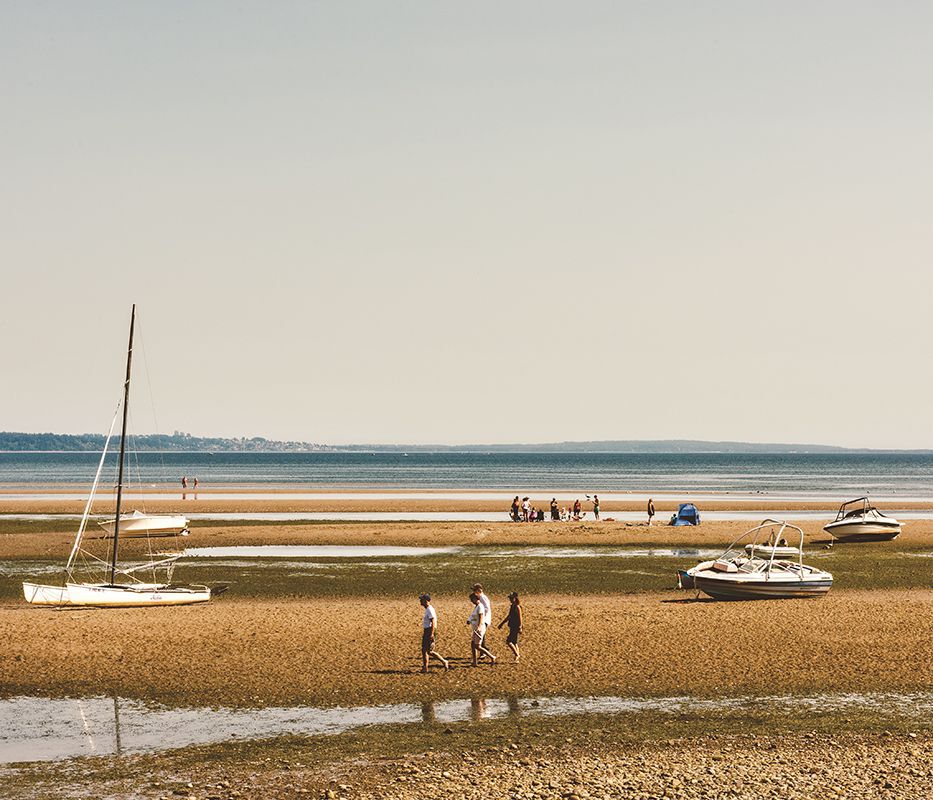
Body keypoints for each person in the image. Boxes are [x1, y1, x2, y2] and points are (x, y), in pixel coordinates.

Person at [419, 593, 449, 673]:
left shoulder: (430, 610)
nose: (420, 601)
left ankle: (444, 661)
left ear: (426, 601)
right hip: (427, 630)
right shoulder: (428, 609)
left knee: (429, 651)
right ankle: (425, 667)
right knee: (424, 650)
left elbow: (433, 622)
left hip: (430, 630)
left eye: (421, 600)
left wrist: (432, 633)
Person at [467, 592, 496, 666]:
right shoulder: (477, 606)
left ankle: (492, 657)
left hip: (479, 629)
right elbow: (474, 616)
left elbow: (481, 617)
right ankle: (474, 662)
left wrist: (479, 627)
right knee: (472, 644)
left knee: (477, 646)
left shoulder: (480, 606)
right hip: (475, 629)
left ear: (475, 599)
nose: (471, 601)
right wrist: (469, 620)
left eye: (471, 599)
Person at [497, 591, 523, 662]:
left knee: (508, 641)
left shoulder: (517, 607)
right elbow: (509, 616)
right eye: (510, 598)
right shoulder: (512, 606)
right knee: (514, 642)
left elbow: (520, 617)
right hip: (512, 626)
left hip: (516, 626)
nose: (510, 600)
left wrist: (520, 627)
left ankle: (517, 654)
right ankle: (517, 657)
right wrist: (502, 623)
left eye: (512, 598)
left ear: (515, 598)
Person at [472, 582, 492, 654]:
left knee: (480, 635)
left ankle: (483, 652)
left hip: (485, 619)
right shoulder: (480, 598)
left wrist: (481, 616)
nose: (474, 592)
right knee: (481, 635)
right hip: (483, 619)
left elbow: (486, 608)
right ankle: (483, 650)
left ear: (479, 590)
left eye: (475, 590)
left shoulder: (483, 597)